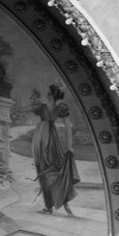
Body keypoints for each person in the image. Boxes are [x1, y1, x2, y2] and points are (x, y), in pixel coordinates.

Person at [30, 84, 80, 215]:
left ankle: (51, 206)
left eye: (48, 94)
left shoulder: (43, 107)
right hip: (49, 138)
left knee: (45, 171)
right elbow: (68, 126)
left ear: (50, 95)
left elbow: (32, 106)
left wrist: (35, 98)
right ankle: (59, 202)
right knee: (50, 171)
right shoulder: (58, 108)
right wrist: (69, 146)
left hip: (42, 137)